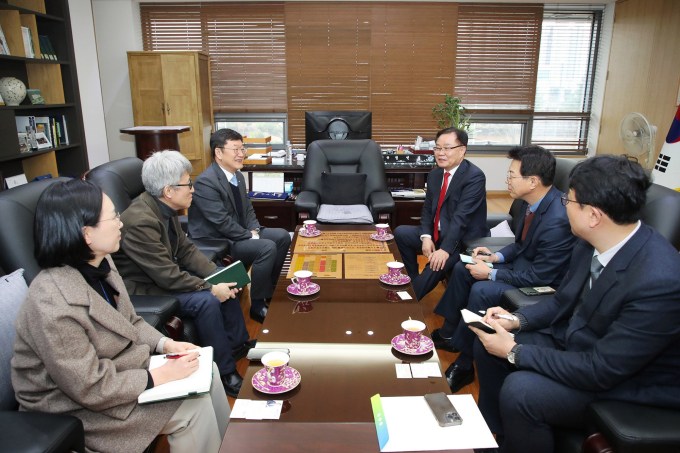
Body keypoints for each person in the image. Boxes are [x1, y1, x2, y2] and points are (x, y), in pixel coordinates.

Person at [470, 155, 680, 453]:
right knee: (488, 340)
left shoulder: (660, 281)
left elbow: (602, 369)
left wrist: (515, 350)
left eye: (568, 200)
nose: (563, 205)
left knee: (522, 391)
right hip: (579, 344)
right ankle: (495, 436)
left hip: (629, 382)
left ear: (593, 215)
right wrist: (516, 321)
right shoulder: (590, 241)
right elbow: (561, 301)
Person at [11, 179, 231, 453]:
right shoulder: (52, 303)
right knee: (192, 405)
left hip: (118, 372)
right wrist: (160, 376)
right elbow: (89, 387)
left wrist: (167, 345)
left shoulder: (101, 262)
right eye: (113, 216)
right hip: (72, 405)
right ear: (86, 234)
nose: (121, 223)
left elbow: (131, 321)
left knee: (205, 368)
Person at [431, 146, 576, 393]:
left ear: (532, 181)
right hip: (523, 266)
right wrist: (495, 256)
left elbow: (541, 276)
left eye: (511, 175)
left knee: (482, 290)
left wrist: (491, 273)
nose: (506, 180)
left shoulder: (558, 219)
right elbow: (520, 245)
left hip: (542, 283)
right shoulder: (530, 203)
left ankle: (465, 364)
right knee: (463, 266)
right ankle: (449, 331)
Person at [112, 150, 252, 397]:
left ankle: (238, 344)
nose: (193, 189)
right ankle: (224, 371)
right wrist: (210, 288)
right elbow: (167, 276)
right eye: (188, 184)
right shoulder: (141, 221)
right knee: (207, 300)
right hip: (145, 289)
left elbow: (186, 251)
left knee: (224, 279)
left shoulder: (163, 208)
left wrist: (218, 275)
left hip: (162, 275)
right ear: (168, 191)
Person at [189, 128, 291, 323]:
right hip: (219, 240)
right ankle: (257, 305)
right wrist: (250, 235)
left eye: (242, 149)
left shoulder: (237, 175)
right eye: (235, 149)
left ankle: (271, 292)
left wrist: (256, 229)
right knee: (266, 247)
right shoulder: (206, 182)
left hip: (239, 232)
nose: (241, 154)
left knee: (282, 236)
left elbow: (248, 209)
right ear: (218, 153)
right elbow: (221, 223)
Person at [394, 127, 489, 300]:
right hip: (438, 233)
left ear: (462, 150)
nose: (441, 153)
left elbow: (461, 219)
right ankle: (413, 279)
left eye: (447, 148)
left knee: (435, 265)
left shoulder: (474, 177)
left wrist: (444, 249)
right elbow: (428, 208)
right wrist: (426, 236)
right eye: (437, 148)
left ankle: (405, 302)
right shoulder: (435, 174)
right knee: (400, 233)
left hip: (460, 240)